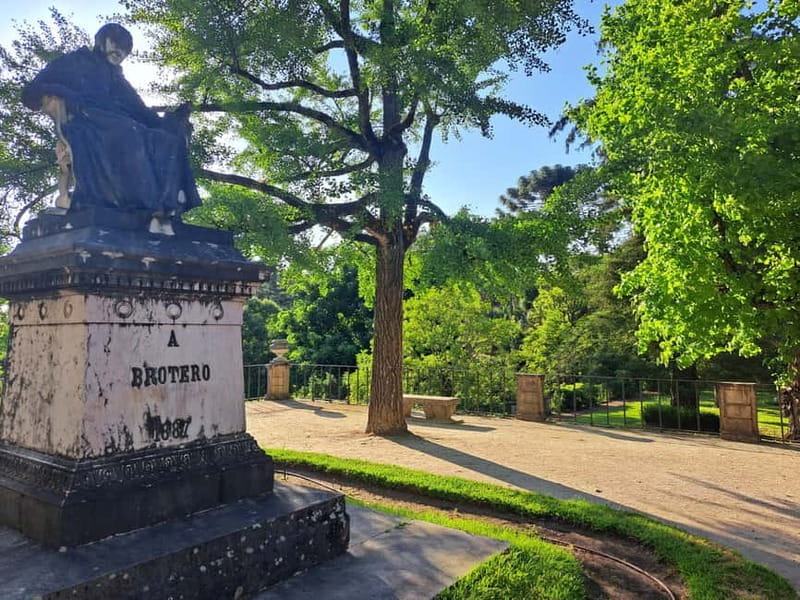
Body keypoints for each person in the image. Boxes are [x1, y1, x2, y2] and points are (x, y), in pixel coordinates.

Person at [22, 24, 201, 217]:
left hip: (115, 120)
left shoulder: (116, 76)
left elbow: (138, 108)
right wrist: (64, 95)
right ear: (101, 41)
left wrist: (169, 122)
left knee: (165, 140)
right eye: (116, 43)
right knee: (128, 132)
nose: (120, 51)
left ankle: (162, 206)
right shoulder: (76, 61)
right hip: (85, 121)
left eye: (126, 49)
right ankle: (139, 203)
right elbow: (31, 92)